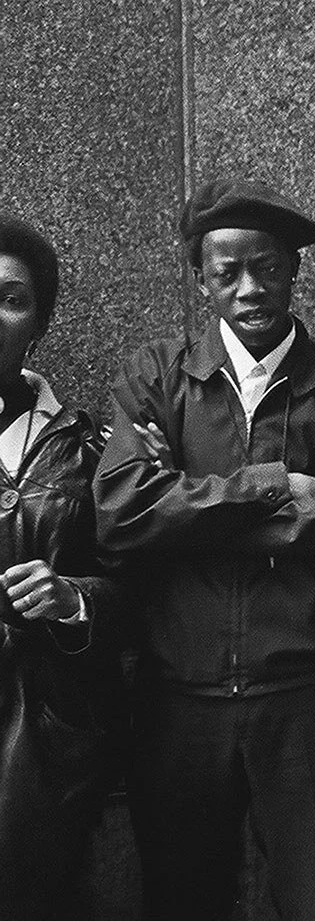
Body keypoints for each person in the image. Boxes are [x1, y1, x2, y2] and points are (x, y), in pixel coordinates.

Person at [96, 182, 315, 921]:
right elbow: (121, 513)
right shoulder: (156, 376)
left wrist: (186, 504)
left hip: (307, 698)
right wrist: (275, 483)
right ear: (201, 279)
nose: (250, 288)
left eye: (267, 267)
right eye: (227, 273)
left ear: (294, 269)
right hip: (178, 699)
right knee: (182, 900)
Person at [0, 216, 122, 918]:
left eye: (12, 298)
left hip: (46, 738)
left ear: (39, 322)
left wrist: (73, 598)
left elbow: (143, 592)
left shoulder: (87, 447)